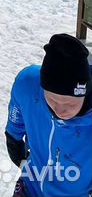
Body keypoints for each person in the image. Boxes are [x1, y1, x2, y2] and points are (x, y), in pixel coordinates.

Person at [5, 34, 92, 197]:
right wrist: (13, 135)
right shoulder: (28, 84)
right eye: (52, 100)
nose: (60, 110)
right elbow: (18, 105)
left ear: (85, 93)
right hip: (29, 188)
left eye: (70, 104)